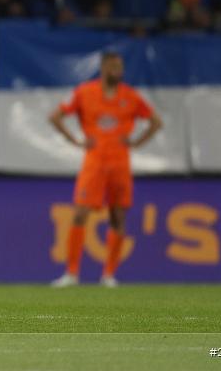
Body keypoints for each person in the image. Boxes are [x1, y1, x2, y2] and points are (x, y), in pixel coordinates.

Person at [48, 51, 163, 287]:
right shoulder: (84, 92)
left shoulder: (130, 96)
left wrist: (136, 142)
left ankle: (108, 275)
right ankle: (71, 273)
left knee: (118, 216)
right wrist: (76, 141)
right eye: (113, 67)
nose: (117, 71)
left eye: (120, 67)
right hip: (95, 161)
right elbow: (55, 116)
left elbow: (156, 122)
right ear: (103, 68)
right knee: (80, 212)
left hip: (120, 162)